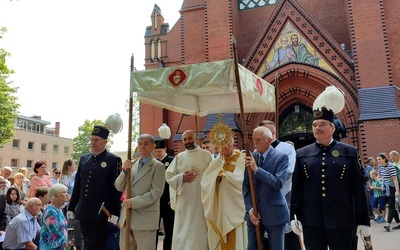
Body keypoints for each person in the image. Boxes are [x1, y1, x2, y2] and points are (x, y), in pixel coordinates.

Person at [290, 102, 370, 249]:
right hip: (312, 222)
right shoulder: (302, 154)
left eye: (322, 124)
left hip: (343, 222)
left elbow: (358, 189)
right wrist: (294, 216)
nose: (317, 128)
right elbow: (297, 188)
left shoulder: (349, 152)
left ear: (332, 128)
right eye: (314, 125)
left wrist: (363, 220)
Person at [68, 125, 122, 250]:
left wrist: (114, 211)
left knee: (96, 244)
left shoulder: (113, 160)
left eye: (96, 140)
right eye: (91, 139)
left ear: (105, 141)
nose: (93, 142)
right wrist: (72, 207)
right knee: (87, 243)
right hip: (84, 210)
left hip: (101, 211)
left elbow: (115, 189)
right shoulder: (84, 159)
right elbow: (78, 185)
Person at [115, 134, 165, 250]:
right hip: (127, 218)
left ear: (153, 146)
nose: (142, 147)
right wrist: (124, 171)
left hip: (145, 219)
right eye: (139, 144)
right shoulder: (131, 164)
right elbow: (118, 186)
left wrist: (134, 202)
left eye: (146, 144)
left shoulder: (158, 167)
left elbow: (156, 192)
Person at [165, 130, 213, 250]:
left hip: (201, 200)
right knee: (184, 230)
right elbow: (168, 176)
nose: (188, 141)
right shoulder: (179, 157)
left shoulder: (206, 155)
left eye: (190, 138)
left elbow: (214, 174)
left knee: (199, 230)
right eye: (185, 139)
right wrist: (181, 177)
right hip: (184, 202)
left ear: (196, 138)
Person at [243, 126, 289, 250]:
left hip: (274, 213)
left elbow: (277, 183)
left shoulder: (281, 157)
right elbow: (246, 187)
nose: (255, 142)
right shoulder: (252, 156)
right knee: (252, 247)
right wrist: (250, 209)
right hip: (254, 215)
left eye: (259, 139)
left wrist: (257, 170)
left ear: (269, 140)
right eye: (254, 139)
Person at [257, 120, 298, 250]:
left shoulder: (286, 149)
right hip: (263, 201)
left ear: (272, 133)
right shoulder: (256, 151)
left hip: (283, 197)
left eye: (261, 135)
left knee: (286, 238)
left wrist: (264, 175)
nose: (256, 140)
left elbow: (287, 173)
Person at [201, 137, 247, 249]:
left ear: (233, 144)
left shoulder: (242, 159)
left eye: (226, 145)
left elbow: (242, 181)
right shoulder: (216, 162)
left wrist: (227, 175)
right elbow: (205, 182)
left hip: (236, 205)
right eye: (220, 146)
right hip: (220, 205)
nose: (224, 148)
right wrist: (215, 178)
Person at [153, 139, 175, 250]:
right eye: (155, 151)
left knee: (169, 230)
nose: (157, 154)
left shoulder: (172, 161)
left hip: (168, 201)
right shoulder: (152, 163)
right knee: (154, 230)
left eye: (159, 151)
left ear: (165, 149)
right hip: (155, 202)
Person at [40, 183, 72, 250]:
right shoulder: (51, 212)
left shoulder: (59, 209)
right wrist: (68, 245)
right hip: (52, 247)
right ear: (56, 196)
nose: (67, 194)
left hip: (60, 246)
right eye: (64, 192)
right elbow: (55, 232)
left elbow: (64, 229)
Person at [377, 152, 400, 231]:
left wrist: (397, 191)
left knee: (391, 206)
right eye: (377, 160)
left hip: (392, 187)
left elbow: (395, 179)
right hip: (385, 187)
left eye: (380, 159)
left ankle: (388, 224)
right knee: (391, 206)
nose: (378, 161)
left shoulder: (391, 166)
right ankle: (398, 222)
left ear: (384, 159)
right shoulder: (380, 166)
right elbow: (381, 176)